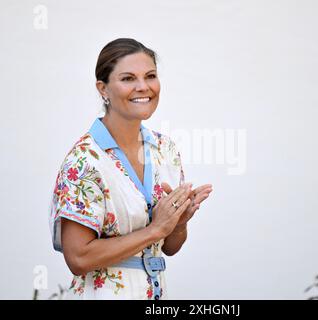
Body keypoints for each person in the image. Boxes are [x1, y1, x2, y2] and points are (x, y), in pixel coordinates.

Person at [49, 38, 213, 300]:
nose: (143, 87)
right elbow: (78, 257)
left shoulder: (165, 149)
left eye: (150, 76)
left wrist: (178, 224)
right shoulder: (85, 160)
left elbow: (169, 247)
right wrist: (155, 230)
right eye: (128, 78)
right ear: (103, 89)